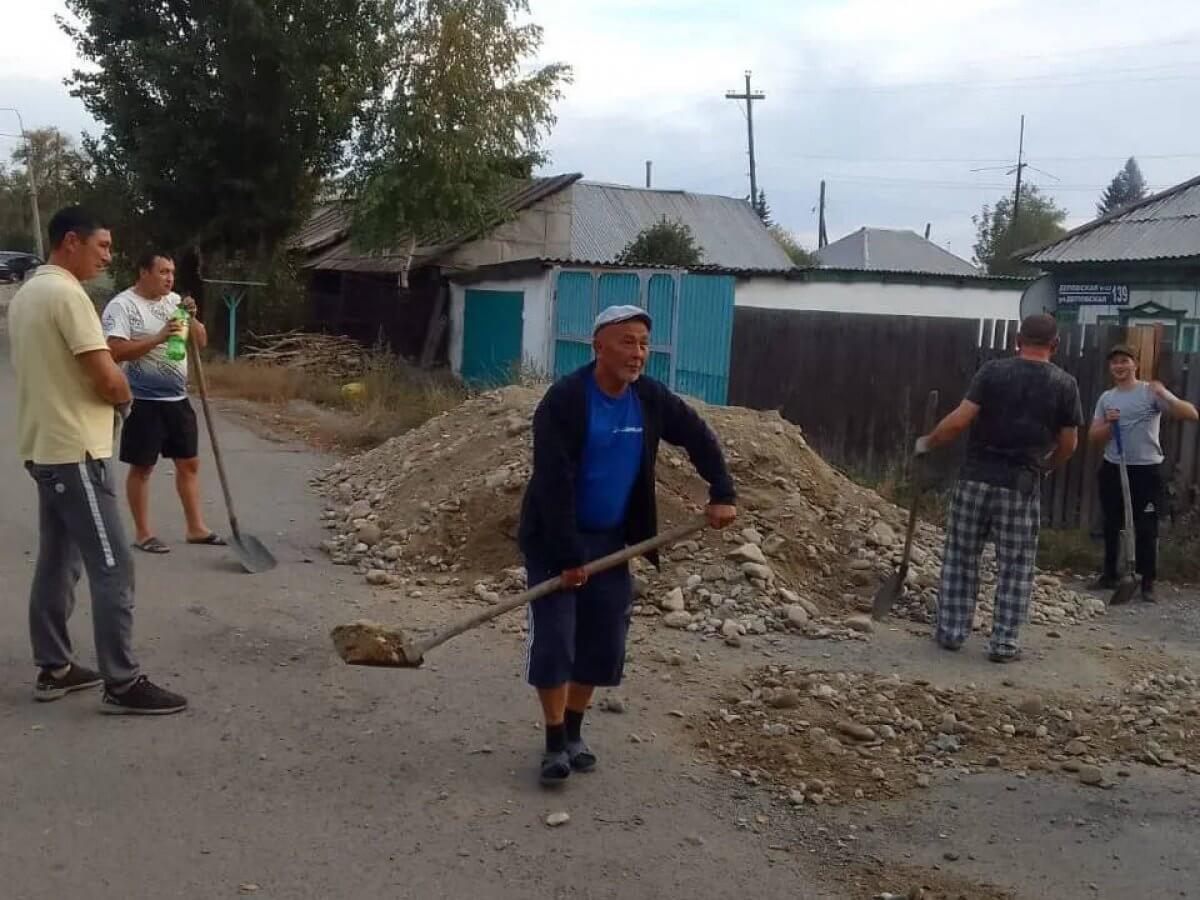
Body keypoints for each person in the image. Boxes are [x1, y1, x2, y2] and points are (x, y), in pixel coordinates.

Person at [518, 304, 738, 786]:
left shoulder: (650, 398)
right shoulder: (565, 401)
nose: (638, 353)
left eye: (643, 343)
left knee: (603, 640)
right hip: (557, 538)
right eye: (626, 342)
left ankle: (574, 733)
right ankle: (554, 742)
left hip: (612, 540)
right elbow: (552, 483)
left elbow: (697, 435)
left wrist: (722, 490)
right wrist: (569, 556)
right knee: (555, 640)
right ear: (598, 345)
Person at [8, 206, 187, 713]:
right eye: (103, 246)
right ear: (72, 241)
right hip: (76, 451)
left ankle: (56, 668)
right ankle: (123, 682)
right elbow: (106, 375)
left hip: (45, 445)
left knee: (58, 560)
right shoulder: (68, 295)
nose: (107, 256)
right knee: (113, 564)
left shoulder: (27, 294)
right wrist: (125, 400)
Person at [915, 314, 1083, 662]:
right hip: (1021, 486)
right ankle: (1004, 644)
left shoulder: (992, 372)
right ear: (1054, 345)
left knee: (961, 557)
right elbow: (1069, 444)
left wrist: (927, 444)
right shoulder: (1065, 384)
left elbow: (959, 421)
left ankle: (950, 633)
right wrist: (1045, 468)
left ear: (1017, 340)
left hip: (975, 479)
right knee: (1016, 566)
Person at [101, 251, 222, 553]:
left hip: (177, 398)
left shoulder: (174, 302)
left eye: (172, 272)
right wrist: (157, 338)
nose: (169, 278)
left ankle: (196, 528)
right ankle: (143, 533)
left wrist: (191, 318)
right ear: (144, 272)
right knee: (142, 467)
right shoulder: (123, 305)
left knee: (189, 463)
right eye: (163, 271)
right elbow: (114, 351)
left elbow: (199, 342)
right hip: (142, 401)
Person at [1088, 344, 1198, 602]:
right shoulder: (1107, 398)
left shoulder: (1150, 392)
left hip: (1147, 470)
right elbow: (1094, 436)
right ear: (1110, 367)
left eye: (1124, 361)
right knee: (1112, 524)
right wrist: (1108, 424)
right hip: (1114, 467)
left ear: (1135, 364)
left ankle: (1147, 582)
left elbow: (1191, 413)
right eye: (1114, 362)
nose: (1119, 366)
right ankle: (1110, 575)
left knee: (1147, 527)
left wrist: (1166, 396)